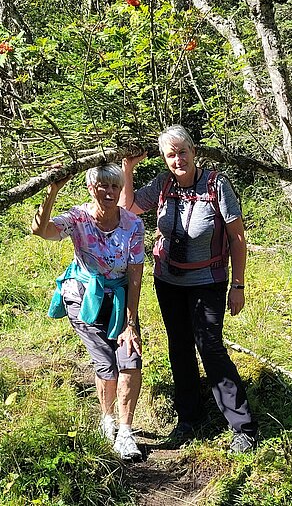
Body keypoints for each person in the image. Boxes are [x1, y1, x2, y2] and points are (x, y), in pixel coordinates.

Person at [119, 125, 257, 454]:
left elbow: (237, 238)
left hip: (208, 280)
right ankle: (189, 417)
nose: (178, 159)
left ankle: (243, 426)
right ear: (165, 159)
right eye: (171, 154)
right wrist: (128, 169)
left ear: (194, 152)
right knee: (179, 347)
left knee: (209, 347)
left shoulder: (216, 184)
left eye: (182, 152)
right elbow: (127, 210)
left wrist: (238, 284)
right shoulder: (163, 185)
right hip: (168, 281)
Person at [32, 163, 145, 461]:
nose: (109, 192)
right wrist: (52, 189)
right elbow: (42, 230)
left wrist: (131, 322)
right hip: (83, 297)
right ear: (90, 187)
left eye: (114, 187)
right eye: (102, 186)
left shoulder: (133, 224)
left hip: (121, 298)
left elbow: (135, 273)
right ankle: (107, 420)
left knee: (130, 358)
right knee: (106, 362)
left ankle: (125, 432)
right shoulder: (78, 217)